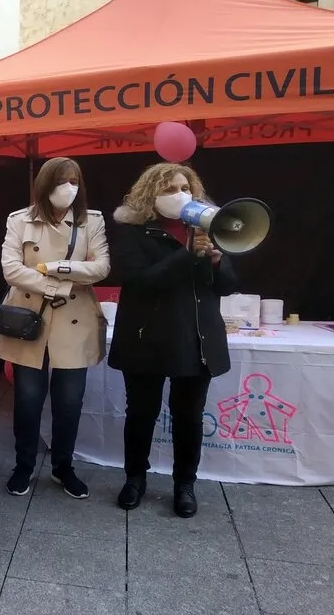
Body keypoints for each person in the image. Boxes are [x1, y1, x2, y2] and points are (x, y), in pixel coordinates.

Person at [108, 163, 236, 518]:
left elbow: (227, 286)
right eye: (168, 189)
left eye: (184, 187)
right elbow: (139, 282)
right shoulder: (134, 232)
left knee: (189, 417)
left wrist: (216, 261)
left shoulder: (209, 228)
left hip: (196, 340)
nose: (179, 194)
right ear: (150, 196)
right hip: (147, 338)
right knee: (141, 413)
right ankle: (135, 478)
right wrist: (185, 253)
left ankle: (185, 484)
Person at [0, 157, 110, 499]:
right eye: (61, 181)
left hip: (76, 321)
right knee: (28, 400)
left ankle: (63, 467)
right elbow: (11, 270)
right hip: (31, 318)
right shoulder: (20, 220)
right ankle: (23, 466)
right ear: (45, 184)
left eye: (74, 180)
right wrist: (63, 282)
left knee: (69, 401)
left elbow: (101, 267)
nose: (69, 188)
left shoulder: (92, 221)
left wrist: (55, 267)